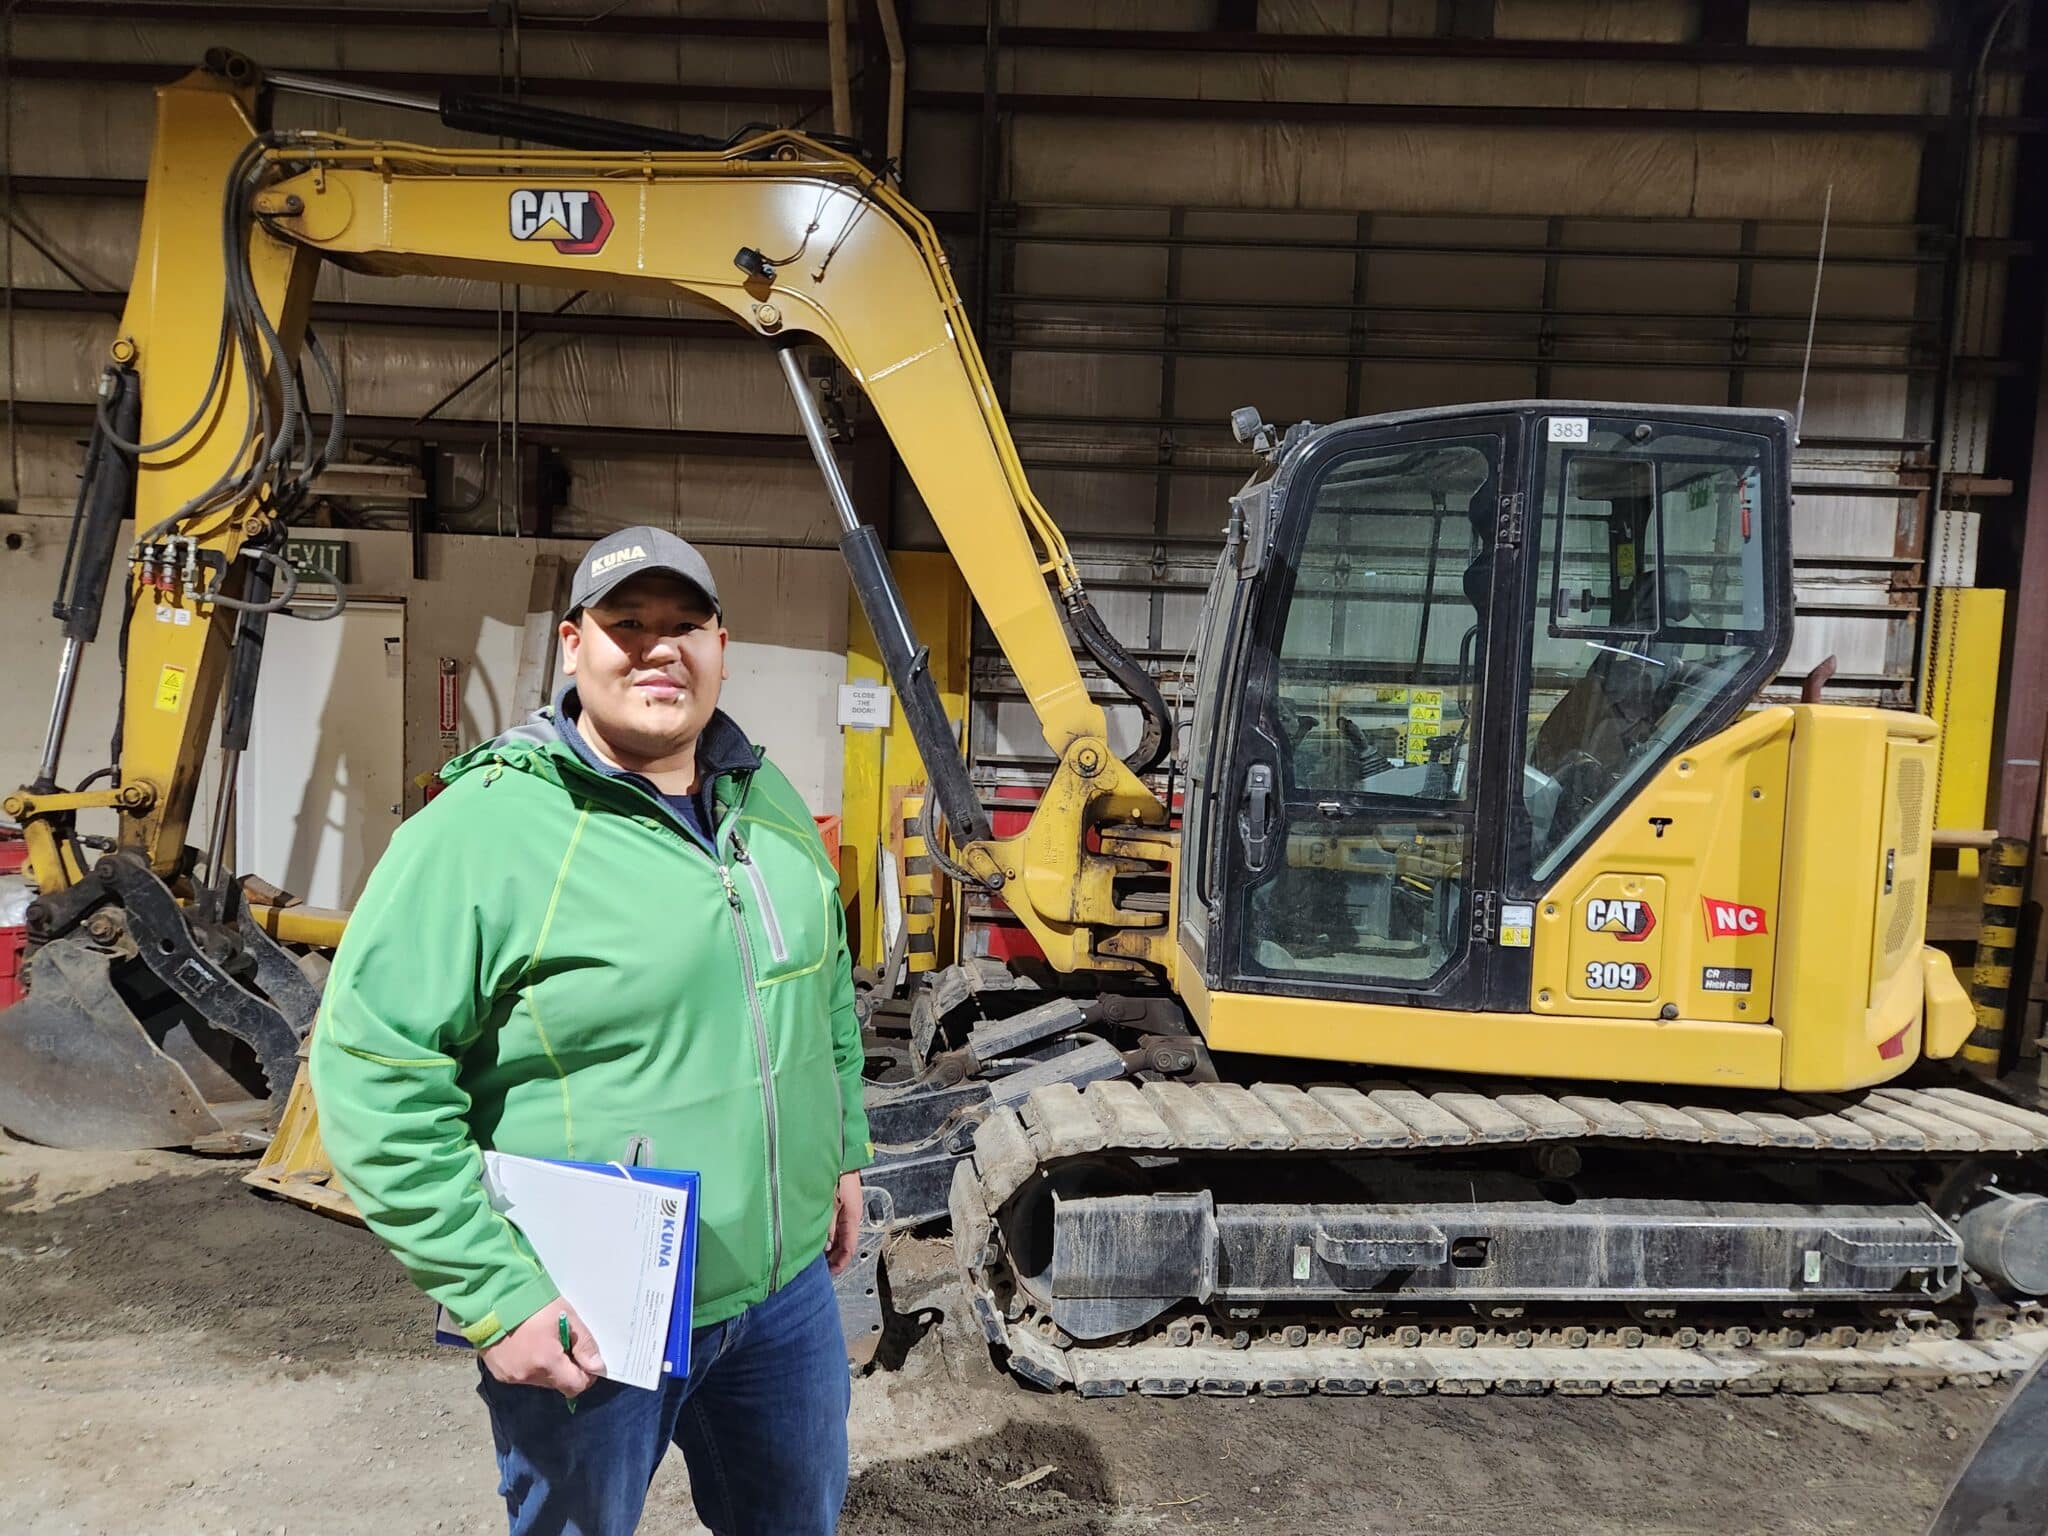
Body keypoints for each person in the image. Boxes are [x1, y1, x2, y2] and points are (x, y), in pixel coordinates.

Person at [311, 525, 872, 1536]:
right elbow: (373, 1072)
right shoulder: (483, 831)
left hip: (782, 1297)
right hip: (595, 1301)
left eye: (683, 626)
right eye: (625, 626)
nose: (657, 649)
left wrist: (838, 1154)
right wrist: (494, 1292)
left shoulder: (769, 800)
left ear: (721, 646)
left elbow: (821, 985)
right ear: (573, 646)